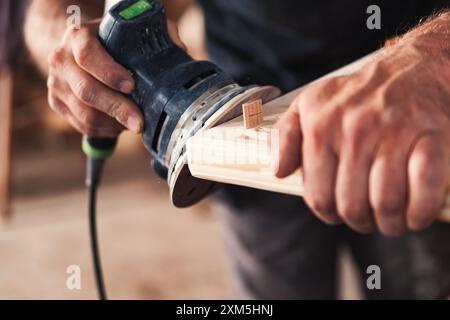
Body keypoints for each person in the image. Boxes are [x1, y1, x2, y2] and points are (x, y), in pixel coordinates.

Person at [24, 0, 450, 299]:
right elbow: (50, 10)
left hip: (409, 118)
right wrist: (74, 48)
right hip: (245, 123)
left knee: (419, 282)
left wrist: (432, 54)